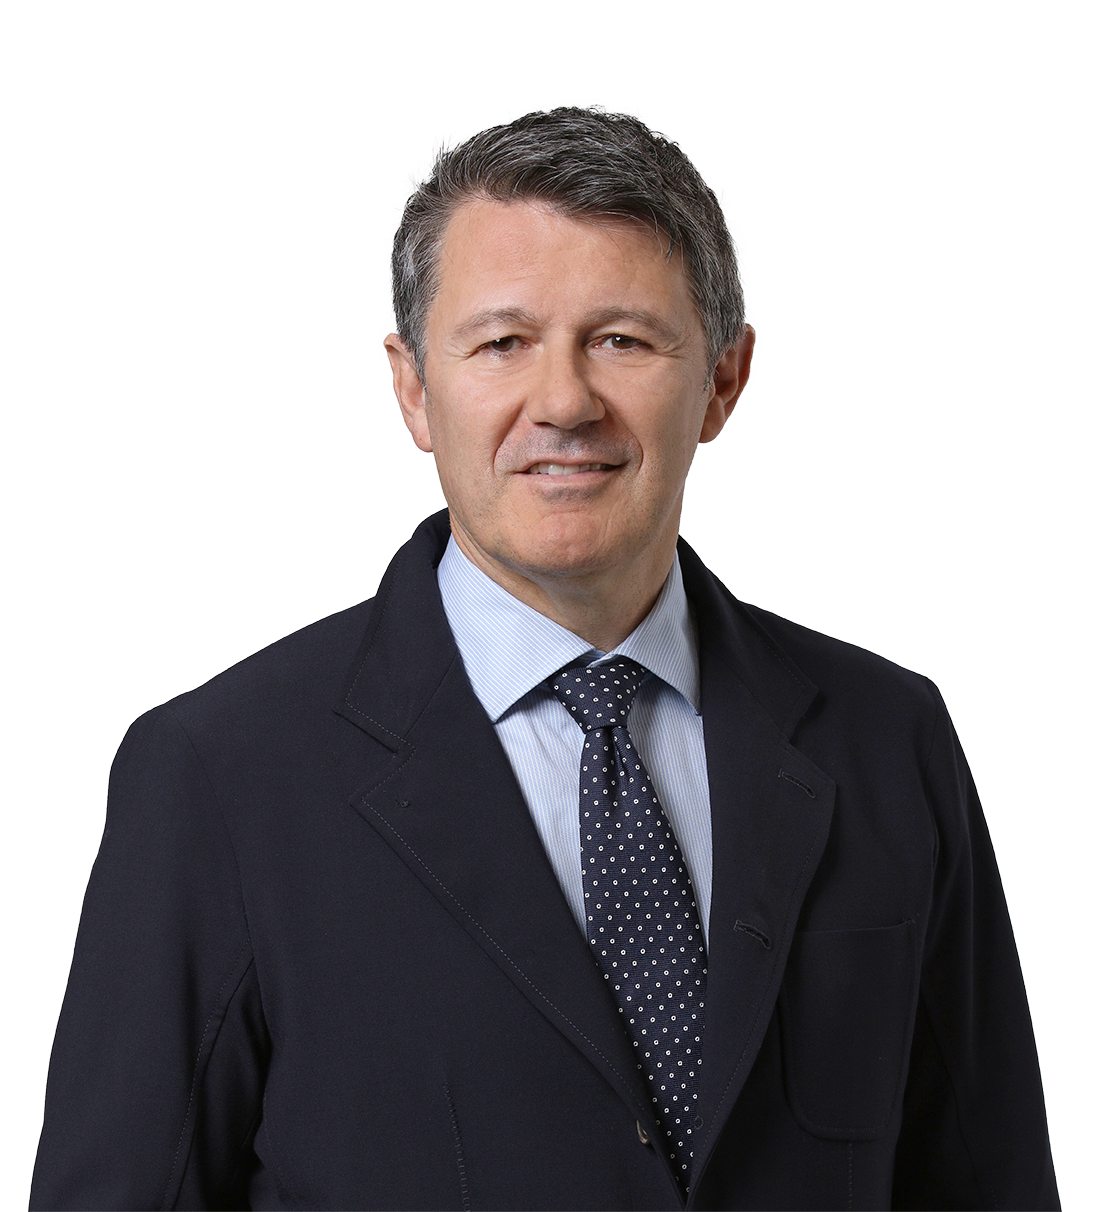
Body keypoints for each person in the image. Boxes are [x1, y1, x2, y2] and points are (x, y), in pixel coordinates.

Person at [31, 105, 1057, 1211]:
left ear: (722, 378)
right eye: (502, 342)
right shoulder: (220, 778)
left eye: (622, 340)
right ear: (413, 388)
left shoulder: (888, 739)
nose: (564, 401)